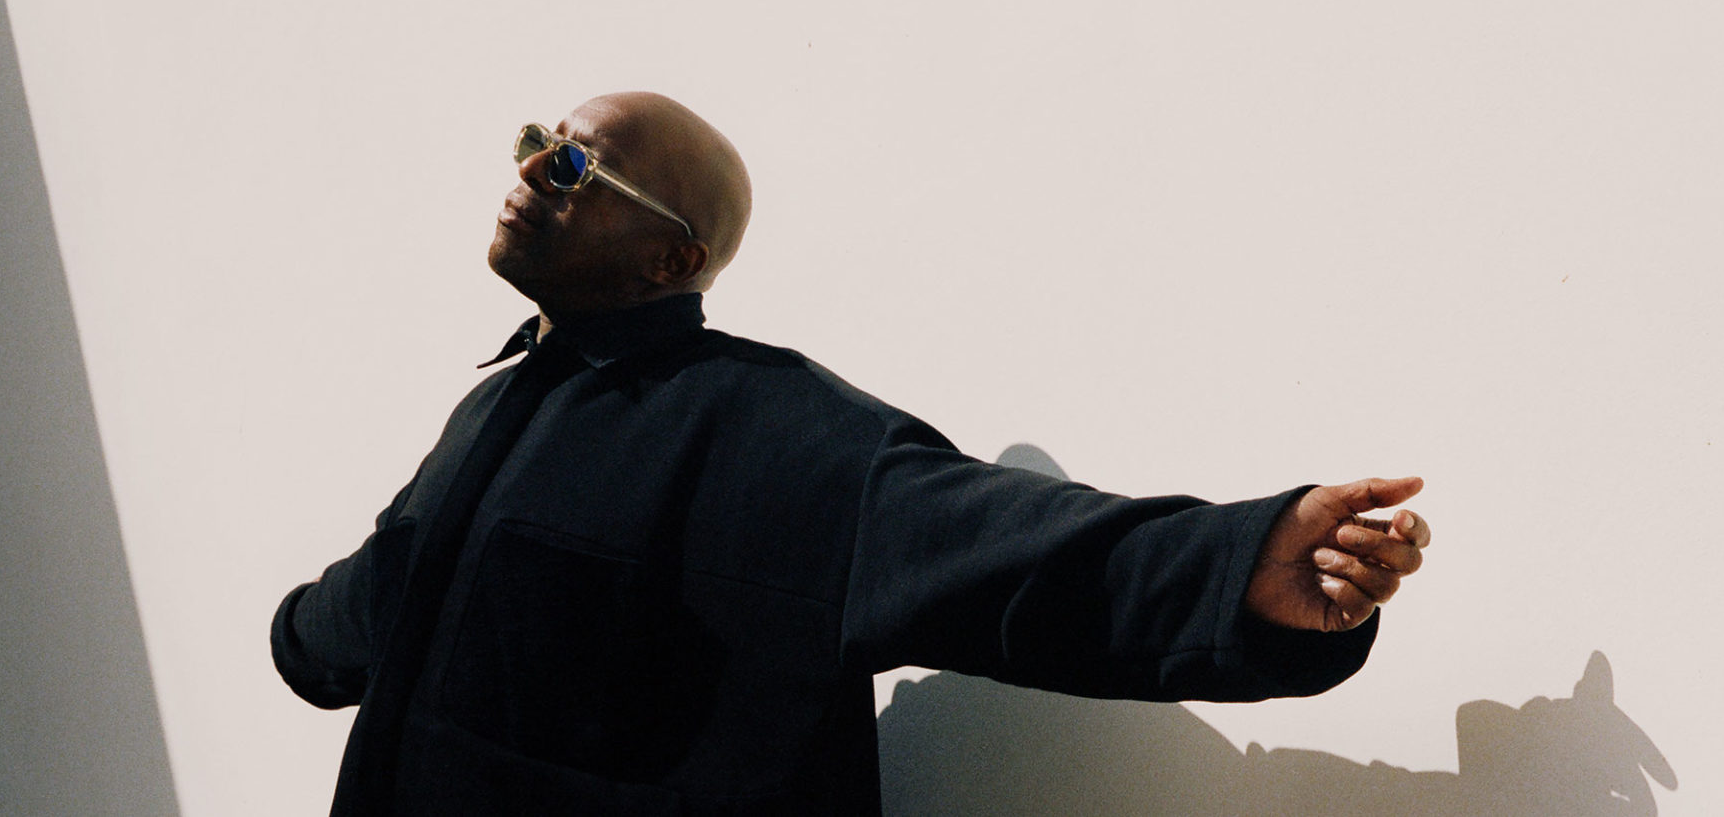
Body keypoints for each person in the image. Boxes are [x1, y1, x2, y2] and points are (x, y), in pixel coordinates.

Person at [271, 92, 1432, 816]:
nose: (531, 173)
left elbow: (1002, 545)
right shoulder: (498, 406)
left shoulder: (761, 430)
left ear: (671, 262)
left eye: (574, 167)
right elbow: (396, 589)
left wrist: (1244, 568)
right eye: (537, 143)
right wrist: (302, 633)